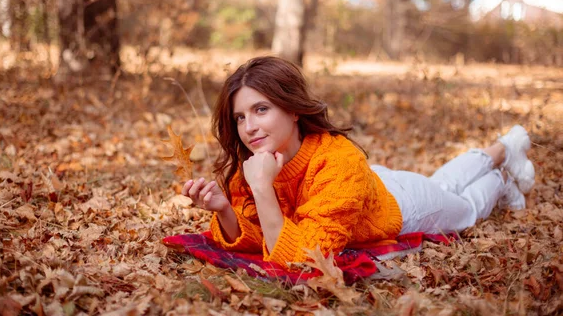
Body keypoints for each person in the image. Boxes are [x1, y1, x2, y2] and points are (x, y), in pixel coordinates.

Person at [181, 56, 535, 268]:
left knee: (463, 208)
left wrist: (262, 189)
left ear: (292, 110)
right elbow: (262, 238)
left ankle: (501, 170)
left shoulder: (337, 159)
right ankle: (502, 151)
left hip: (402, 205)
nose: (250, 127)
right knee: (443, 183)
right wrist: (226, 210)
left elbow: (300, 258)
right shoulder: (256, 163)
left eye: (261, 110)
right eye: (240, 117)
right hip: (362, 190)